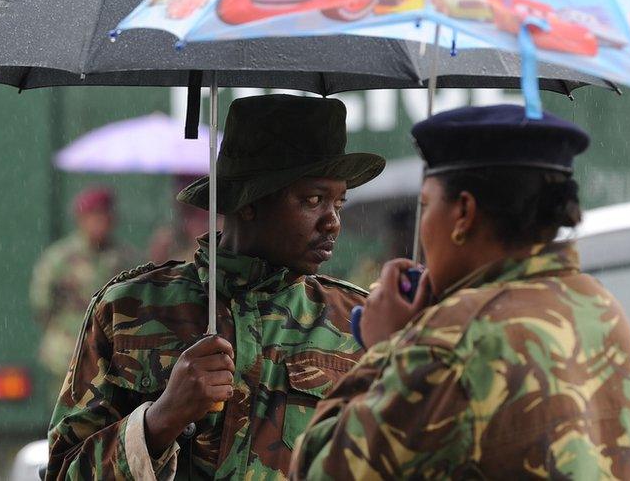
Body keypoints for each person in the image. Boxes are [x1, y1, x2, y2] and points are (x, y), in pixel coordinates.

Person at [291, 105, 630, 480]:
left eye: (427, 206)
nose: (423, 228)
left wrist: (385, 349)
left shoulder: (454, 338)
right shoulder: (598, 305)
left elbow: (320, 470)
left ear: (463, 213)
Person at [46, 94, 386, 480]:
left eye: (339, 203)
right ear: (248, 202)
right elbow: (62, 473)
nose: (333, 222)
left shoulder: (357, 322)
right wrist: (161, 420)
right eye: (313, 199)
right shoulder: (130, 309)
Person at [30, 186, 137, 405]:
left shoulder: (125, 258)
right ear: (81, 219)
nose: (100, 222)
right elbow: (41, 303)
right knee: (65, 413)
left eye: (104, 215)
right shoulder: (59, 259)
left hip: (113, 356)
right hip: (67, 352)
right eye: (93, 216)